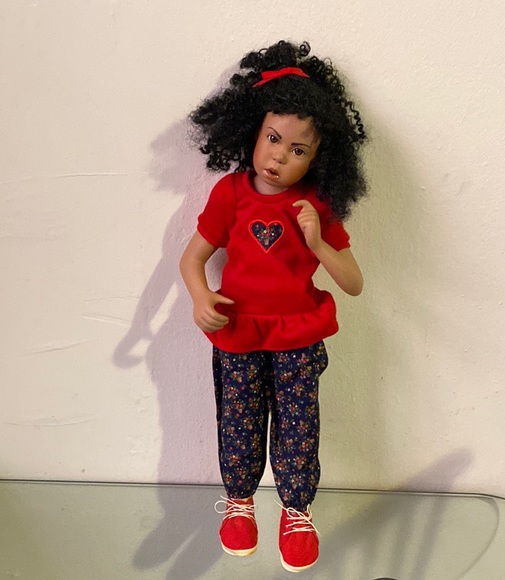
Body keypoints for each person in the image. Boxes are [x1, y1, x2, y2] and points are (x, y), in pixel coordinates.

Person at [179, 40, 367, 573]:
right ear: (253, 132)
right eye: (273, 138)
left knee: (298, 425)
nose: (280, 156)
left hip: (297, 335)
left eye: (298, 150)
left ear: (319, 158)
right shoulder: (231, 194)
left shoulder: (316, 206)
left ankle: (296, 512)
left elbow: (353, 283)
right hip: (237, 329)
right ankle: (240, 503)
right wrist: (200, 296)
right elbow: (193, 258)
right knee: (238, 419)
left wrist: (318, 243)